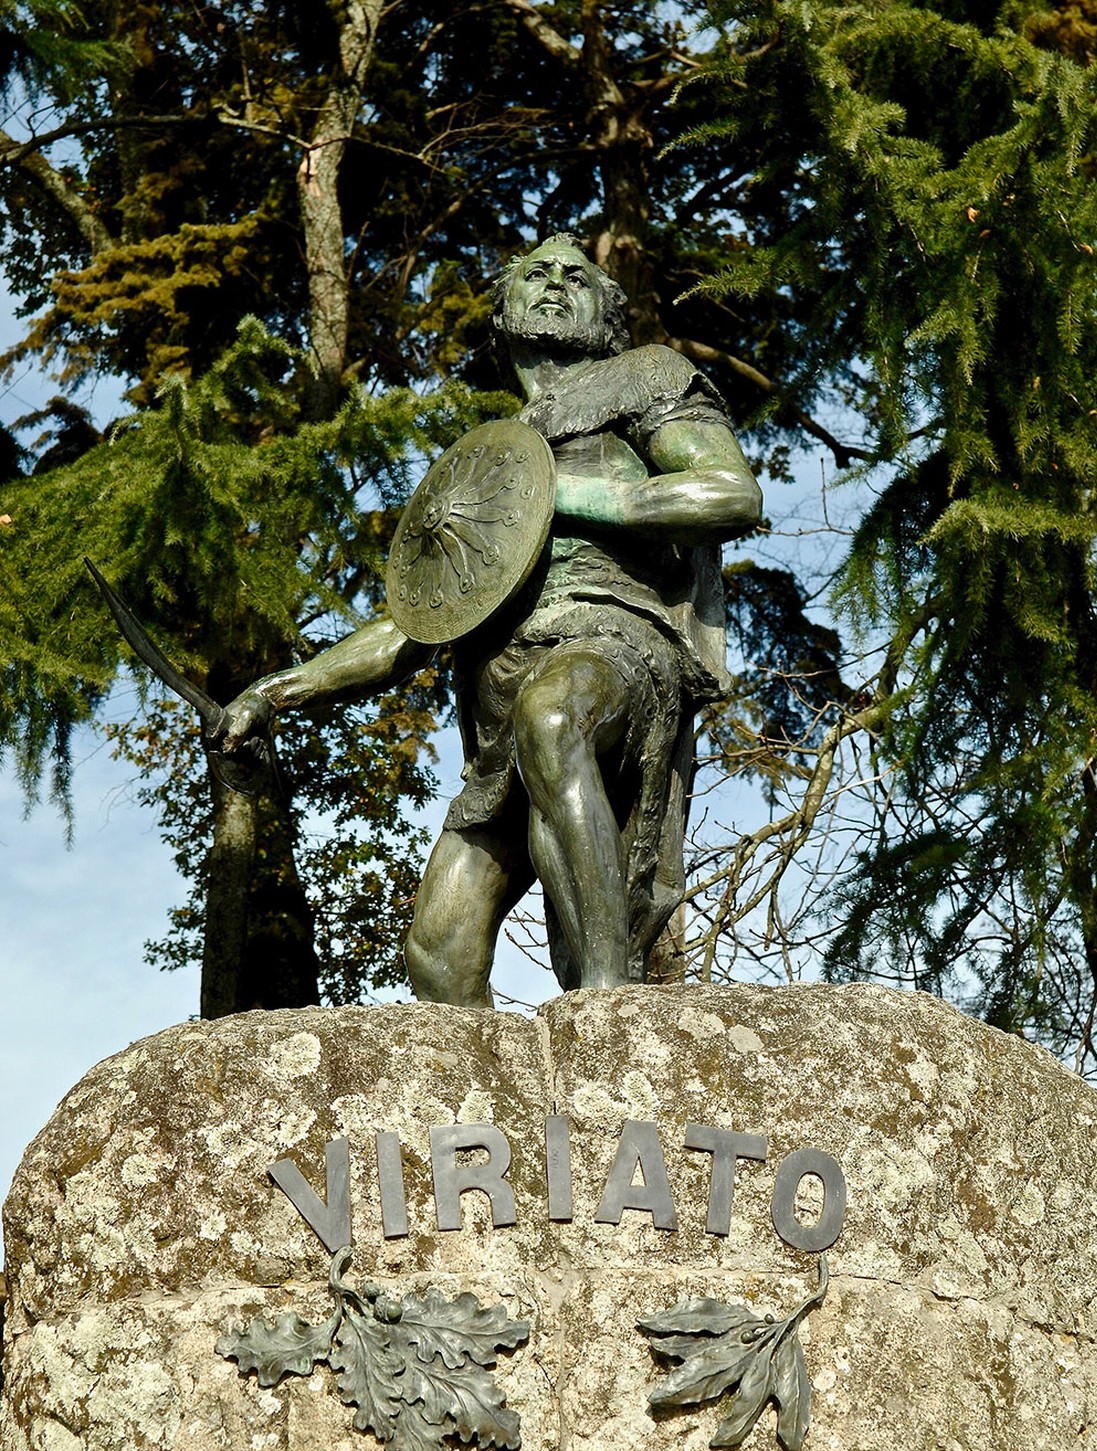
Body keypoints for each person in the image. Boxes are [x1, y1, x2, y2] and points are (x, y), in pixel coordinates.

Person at [220, 235, 762, 1005]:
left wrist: (563, 500)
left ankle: (609, 1008)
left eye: (576, 278)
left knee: (553, 721)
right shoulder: (486, 462)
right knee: (437, 952)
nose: (552, 283)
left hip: (610, 645)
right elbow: (417, 624)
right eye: (533, 276)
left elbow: (726, 493)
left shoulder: (645, 377)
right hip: (499, 695)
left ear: (608, 317)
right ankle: (484, 1120)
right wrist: (281, 691)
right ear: (501, 317)